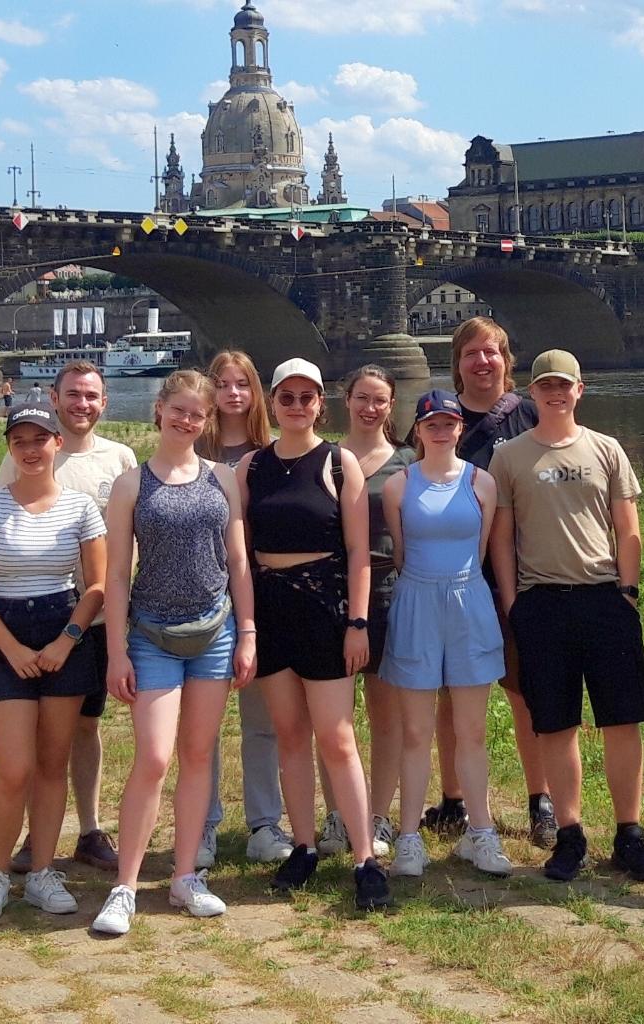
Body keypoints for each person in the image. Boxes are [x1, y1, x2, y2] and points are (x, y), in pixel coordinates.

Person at [92, 371, 257, 935]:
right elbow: (115, 576)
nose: (187, 421)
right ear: (159, 411)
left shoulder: (223, 479)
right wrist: (117, 651)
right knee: (154, 757)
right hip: (152, 634)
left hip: (214, 633)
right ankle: (126, 886)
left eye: (198, 415)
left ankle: (186, 876)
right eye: (179, 410)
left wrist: (248, 631)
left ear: (207, 421)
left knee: (199, 756)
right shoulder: (132, 484)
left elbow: (237, 561)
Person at [490, 349, 644, 883]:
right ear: (531, 392)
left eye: (564, 385)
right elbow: (501, 537)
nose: (555, 393)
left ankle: (630, 833)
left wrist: (627, 593)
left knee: (621, 717)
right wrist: (513, 603)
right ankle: (569, 833)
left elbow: (627, 526)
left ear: (580, 390)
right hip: (542, 602)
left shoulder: (605, 449)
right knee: (555, 723)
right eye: (545, 386)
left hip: (604, 596)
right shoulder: (510, 456)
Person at [237, 357, 390, 910]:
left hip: (326, 607)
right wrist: (248, 626)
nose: (296, 406)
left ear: (320, 404)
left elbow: (358, 552)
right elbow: (241, 554)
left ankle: (363, 856)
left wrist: (358, 622)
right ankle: (302, 845)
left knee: (337, 736)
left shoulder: (339, 461)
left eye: (306, 397)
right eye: (287, 397)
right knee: (289, 733)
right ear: (272, 403)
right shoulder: (250, 468)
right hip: (273, 606)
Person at [0, 405, 109, 921]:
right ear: (9, 447)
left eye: (40, 439)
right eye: (19, 440)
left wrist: (66, 639)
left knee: (52, 765)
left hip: (62, 631)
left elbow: (96, 584)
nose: (30, 449)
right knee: (15, 768)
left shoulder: (81, 509)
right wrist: (11, 648)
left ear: (56, 445)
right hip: (6, 638)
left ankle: (44, 871)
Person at [0, 362, 136, 874]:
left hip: (97, 615)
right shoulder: (24, 456)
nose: (82, 403)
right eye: (73, 394)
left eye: (92, 396)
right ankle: (39, 831)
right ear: (55, 399)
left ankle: (89, 827)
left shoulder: (120, 458)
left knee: (86, 724)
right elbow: (1, 520)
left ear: (104, 403)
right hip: (39, 612)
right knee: (39, 730)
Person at [427, 318, 556, 849]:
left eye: (492, 353)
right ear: (457, 364)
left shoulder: (529, 415)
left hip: (522, 579)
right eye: (472, 354)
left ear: (507, 360)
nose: (483, 362)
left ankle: (540, 800)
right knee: (453, 694)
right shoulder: (441, 420)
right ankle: (454, 800)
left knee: (526, 694)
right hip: (458, 580)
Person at [379, 390, 513, 878]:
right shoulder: (399, 485)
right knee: (415, 732)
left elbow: (481, 550)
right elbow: (400, 550)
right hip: (417, 602)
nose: (441, 430)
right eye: (431, 423)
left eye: (449, 423)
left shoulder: (482, 483)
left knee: (471, 731)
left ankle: (480, 833)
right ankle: (409, 838)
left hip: (467, 601)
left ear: (460, 428)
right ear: (418, 430)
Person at [192, 350, 293, 869]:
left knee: (262, 720)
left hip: (263, 595)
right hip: (204, 597)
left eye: (242, 385)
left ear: (256, 394)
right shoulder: (190, 449)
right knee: (203, 723)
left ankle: (264, 822)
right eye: (223, 385)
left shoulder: (271, 455)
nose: (233, 394)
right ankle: (203, 823)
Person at [318, 366, 412, 859]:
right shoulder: (326, 457)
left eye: (379, 400)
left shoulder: (407, 463)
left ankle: (377, 816)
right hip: (332, 591)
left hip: (389, 591)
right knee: (334, 717)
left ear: (390, 405)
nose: (370, 408)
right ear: (345, 399)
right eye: (361, 398)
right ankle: (337, 816)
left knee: (385, 712)